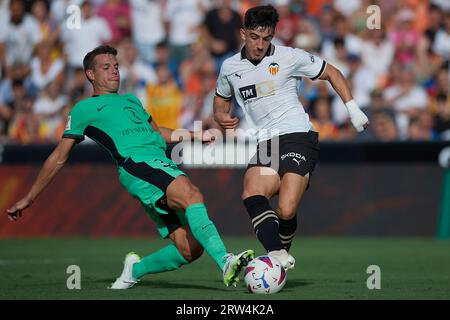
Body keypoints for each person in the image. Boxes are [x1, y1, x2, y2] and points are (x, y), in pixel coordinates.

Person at [6, 45, 254, 289]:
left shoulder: (132, 100)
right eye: (106, 67)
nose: (114, 71)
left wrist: (193, 134)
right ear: (90, 74)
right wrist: (29, 197)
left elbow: (157, 133)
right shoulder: (83, 109)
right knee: (192, 194)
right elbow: (59, 156)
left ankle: (133, 271)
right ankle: (225, 261)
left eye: (116, 66)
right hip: (136, 164)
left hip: (158, 163)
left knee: (190, 249)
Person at [213, 5, 369, 270]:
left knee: (285, 210)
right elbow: (221, 100)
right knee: (252, 192)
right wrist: (220, 116)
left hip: (297, 135)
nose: (260, 45)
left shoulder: (289, 57)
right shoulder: (230, 67)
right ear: (243, 33)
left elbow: (332, 72)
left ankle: (279, 256)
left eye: (267, 38)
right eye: (254, 37)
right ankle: (278, 256)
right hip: (266, 142)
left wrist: (352, 108)